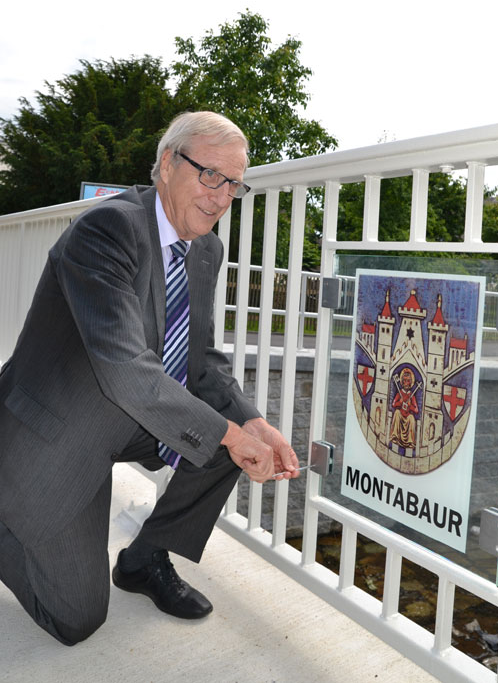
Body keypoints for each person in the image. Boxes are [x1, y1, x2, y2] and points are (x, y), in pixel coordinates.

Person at [0, 110, 300, 646]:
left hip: (124, 418)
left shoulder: (205, 248)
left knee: (225, 438)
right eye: (210, 174)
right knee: (76, 620)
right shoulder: (107, 229)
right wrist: (231, 433)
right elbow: (125, 369)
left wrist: (255, 424)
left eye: (234, 184)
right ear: (167, 163)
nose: (221, 195)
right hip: (55, 431)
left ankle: (143, 561)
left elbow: (202, 360)